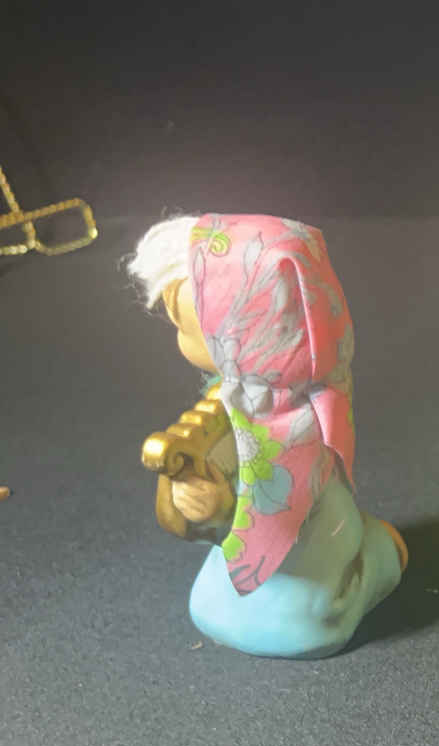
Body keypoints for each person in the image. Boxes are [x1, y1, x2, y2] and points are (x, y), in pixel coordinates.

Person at [129, 214, 405, 658]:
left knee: (311, 622)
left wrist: (221, 506)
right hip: (244, 546)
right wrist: (203, 504)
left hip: (307, 543)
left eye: (187, 330)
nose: (180, 341)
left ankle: (376, 558)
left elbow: (278, 501)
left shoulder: (296, 418)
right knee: (208, 600)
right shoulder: (234, 398)